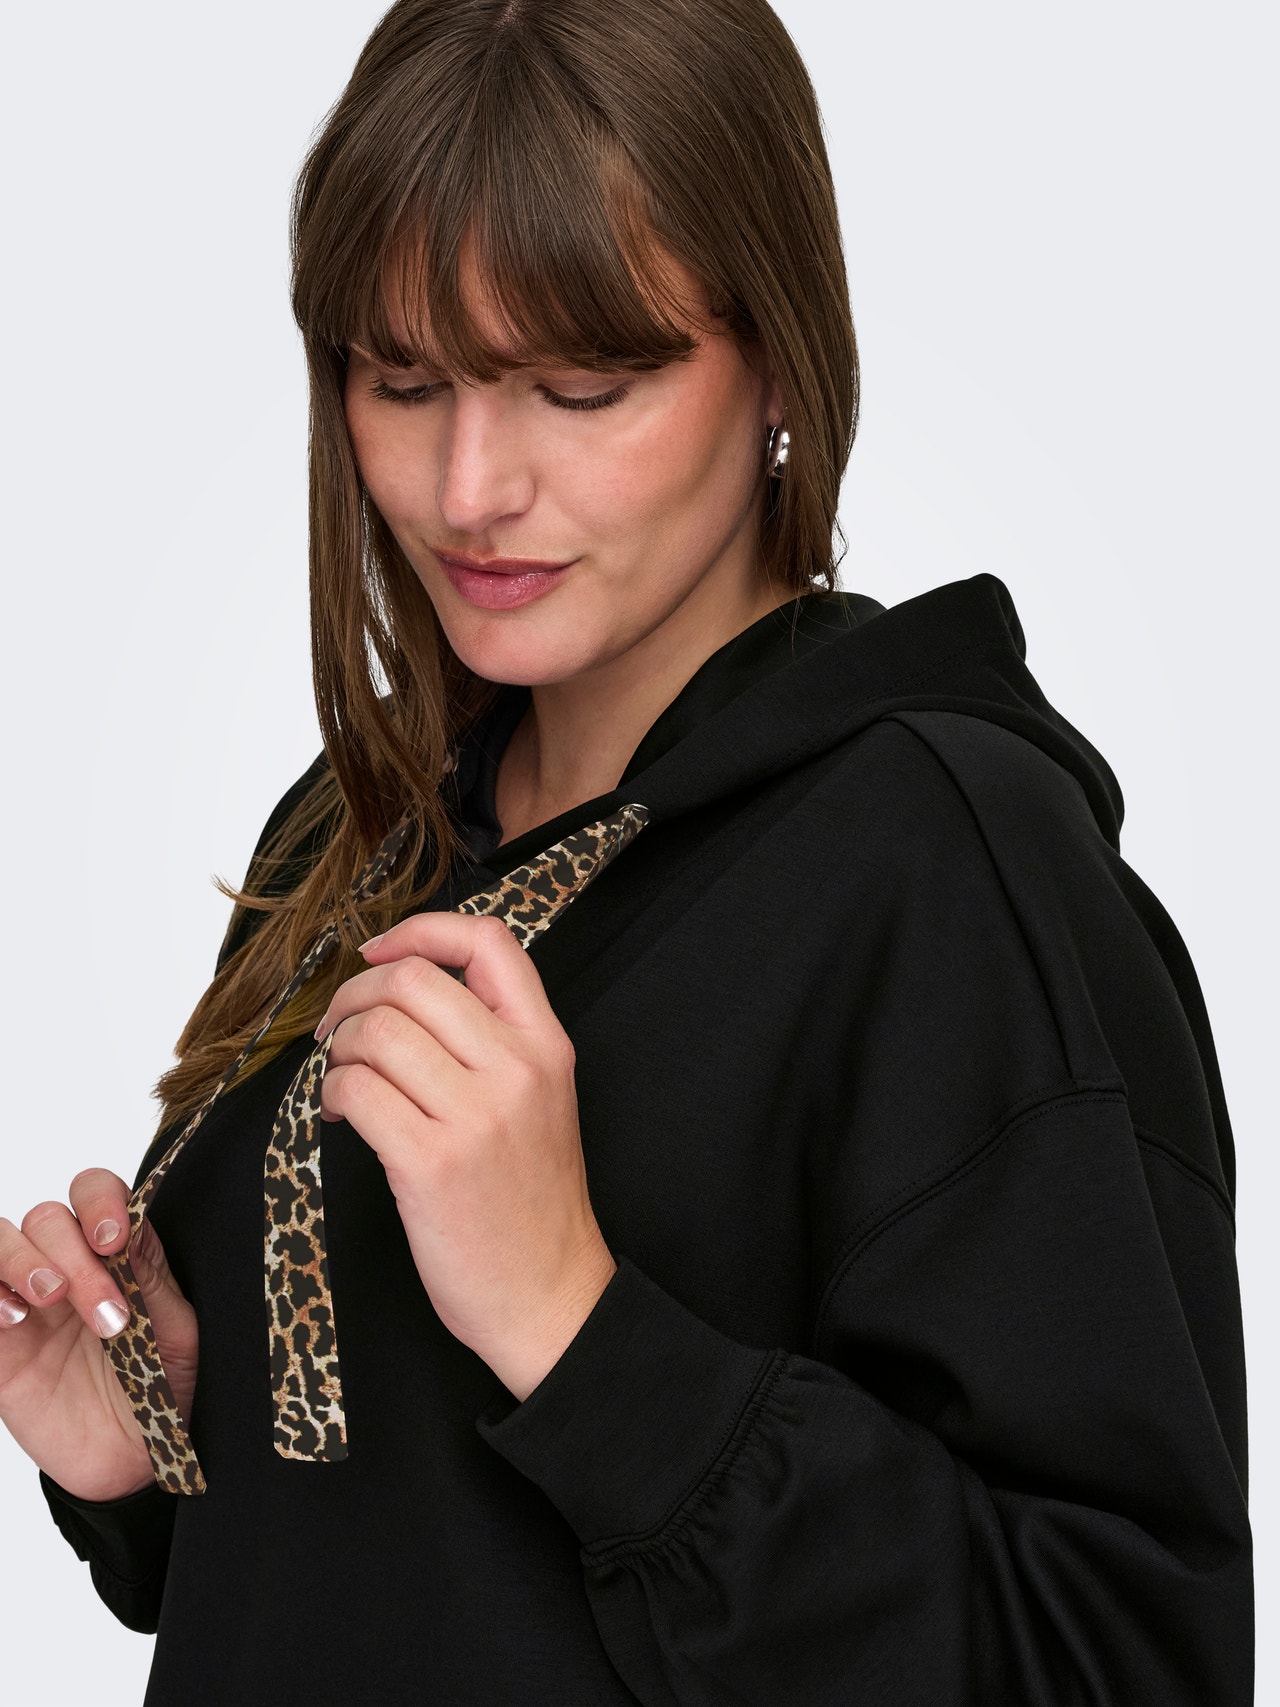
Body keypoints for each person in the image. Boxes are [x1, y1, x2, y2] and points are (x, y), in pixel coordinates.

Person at [0, 0, 1253, 1701]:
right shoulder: (358, 821)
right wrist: (149, 1451)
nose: (468, 488)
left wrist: (580, 1328)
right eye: (402, 381)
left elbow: (1122, 1665)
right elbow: (408, 1566)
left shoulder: (953, 870)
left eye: (581, 387)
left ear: (782, 365)